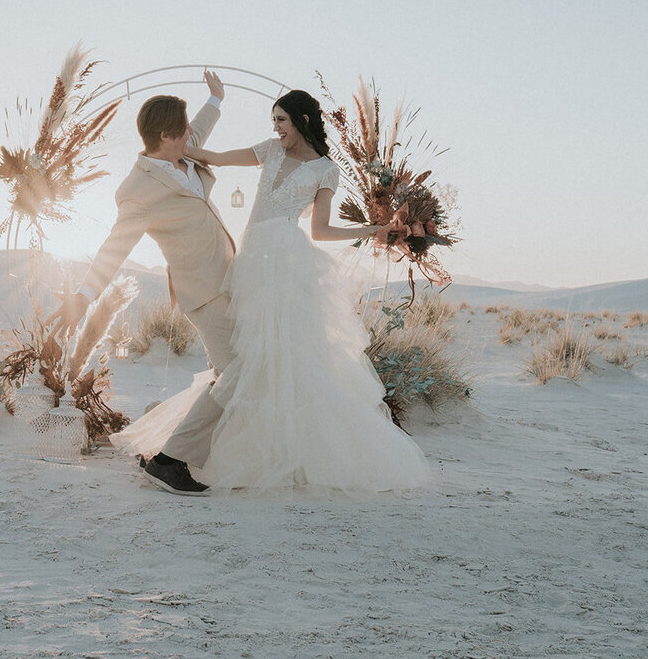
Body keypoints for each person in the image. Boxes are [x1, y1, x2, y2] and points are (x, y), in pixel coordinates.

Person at [109, 89, 433, 495]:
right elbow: (215, 157)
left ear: (302, 121)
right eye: (273, 121)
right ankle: (178, 453)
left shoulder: (324, 171)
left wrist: (374, 230)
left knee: (268, 358)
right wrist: (170, 155)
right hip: (247, 264)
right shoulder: (269, 151)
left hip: (285, 264)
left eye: (281, 120)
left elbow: (320, 230)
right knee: (242, 359)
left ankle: (206, 453)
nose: (276, 128)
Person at [48, 70, 238, 495]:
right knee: (236, 371)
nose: (194, 134)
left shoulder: (183, 154)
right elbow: (114, 249)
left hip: (234, 281)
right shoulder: (138, 190)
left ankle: (190, 448)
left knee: (236, 368)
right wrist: (84, 294)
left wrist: (216, 100)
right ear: (169, 135)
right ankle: (169, 460)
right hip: (203, 293)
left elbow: (201, 127)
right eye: (187, 130)